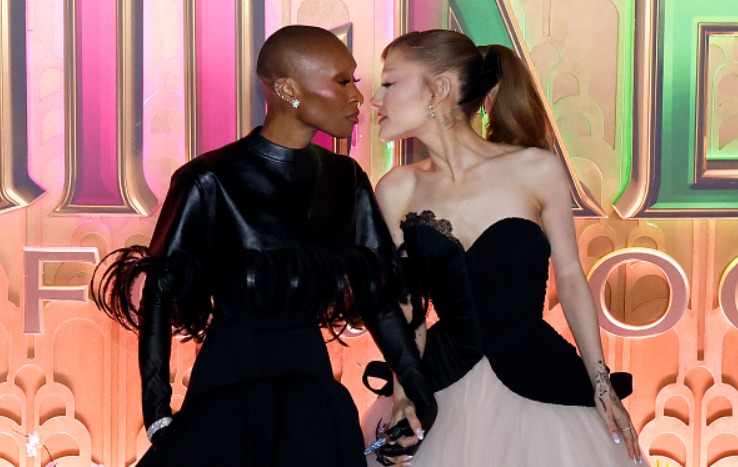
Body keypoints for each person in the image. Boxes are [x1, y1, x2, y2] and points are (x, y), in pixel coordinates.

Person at [91, 25, 436, 467]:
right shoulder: (209, 179)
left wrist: (418, 392)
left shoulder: (344, 179)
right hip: (228, 392)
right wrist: (157, 414)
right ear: (288, 89)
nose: (357, 97)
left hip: (310, 393)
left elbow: (379, 298)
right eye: (341, 82)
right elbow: (158, 295)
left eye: (354, 81)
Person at [361, 30, 646, 466]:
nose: (375, 100)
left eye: (389, 83)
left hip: (542, 378)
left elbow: (571, 278)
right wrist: (405, 393)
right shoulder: (397, 188)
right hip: (441, 380)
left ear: (439, 89)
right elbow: (405, 307)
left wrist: (601, 383)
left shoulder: (536, 169)